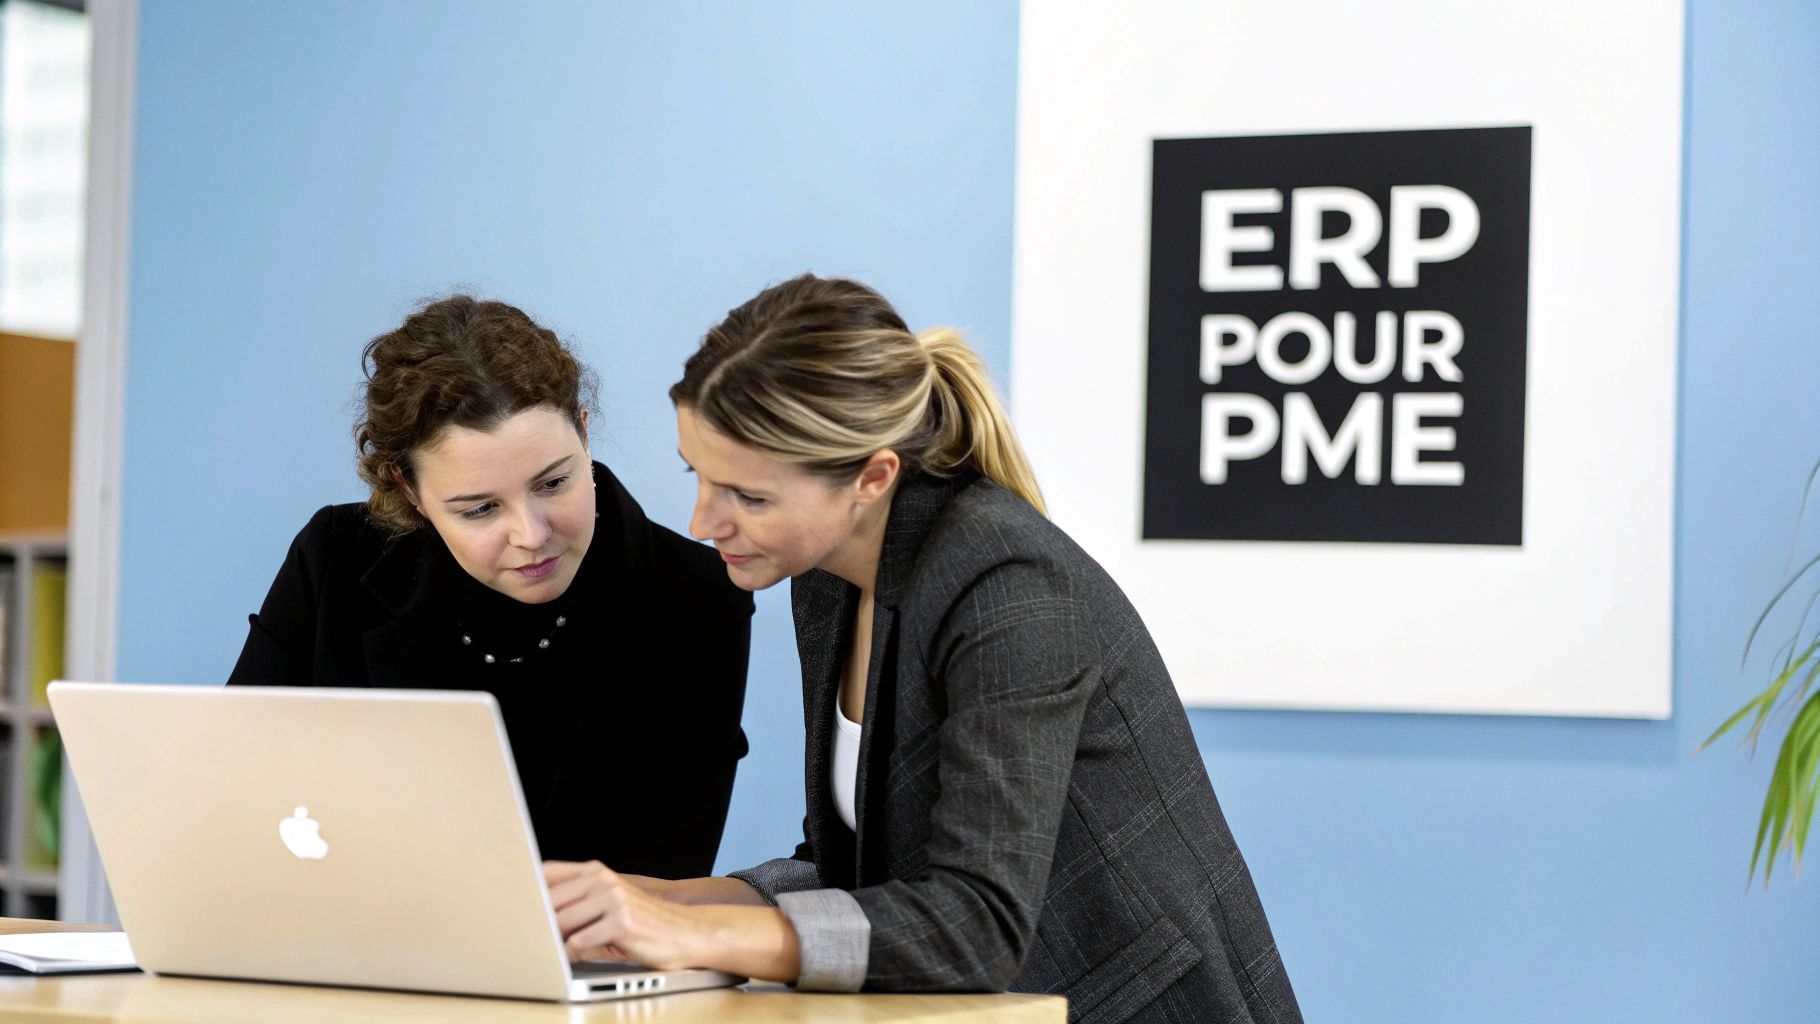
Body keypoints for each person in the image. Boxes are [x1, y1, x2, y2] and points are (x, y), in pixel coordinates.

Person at [541, 275, 1301, 1023]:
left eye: (750, 496)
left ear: (871, 479)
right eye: (701, 478)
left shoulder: (1011, 591)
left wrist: (698, 932)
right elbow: (854, 873)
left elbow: (976, 927)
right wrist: (647, 901)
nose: (705, 522)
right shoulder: (828, 576)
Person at [230, 295, 753, 879]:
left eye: (554, 483)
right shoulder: (334, 559)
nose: (531, 535)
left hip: (571, 963)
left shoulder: (693, 596)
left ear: (583, 433)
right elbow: (229, 789)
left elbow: (658, 883)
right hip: (329, 938)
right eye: (479, 509)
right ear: (408, 490)